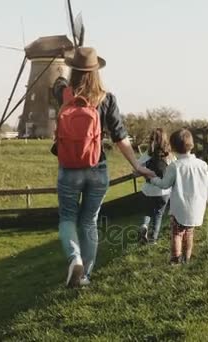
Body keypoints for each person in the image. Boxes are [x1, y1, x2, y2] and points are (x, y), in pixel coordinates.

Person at [52, 47, 155, 287]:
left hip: (69, 169)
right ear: (96, 71)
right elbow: (121, 137)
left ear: (74, 69)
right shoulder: (106, 99)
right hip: (97, 168)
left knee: (67, 217)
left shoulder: (63, 94)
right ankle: (85, 275)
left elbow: (57, 83)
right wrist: (137, 165)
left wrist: (61, 65)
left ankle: (74, 258)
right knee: (89, 221)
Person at [149, 129, 208, 264]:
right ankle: (186, 259)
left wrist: (152, 179)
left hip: (180, 208)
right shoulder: (202, 165)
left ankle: (175, 260)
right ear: (192, 144)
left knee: (177, 234)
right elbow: (207, 185)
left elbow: (165, 184)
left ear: (172, 147)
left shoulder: (175, 166)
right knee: (189, 233)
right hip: (196, 207)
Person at [137, 128, 175, 244]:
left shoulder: (147, 154)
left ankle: (144, 226)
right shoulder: (169, 156)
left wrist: (145, 173)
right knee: (158, 215)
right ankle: (153, 240)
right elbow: (175, 169)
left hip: (147, 190)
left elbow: (137, 167)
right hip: (163, 192)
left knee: (147, 212)